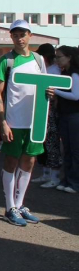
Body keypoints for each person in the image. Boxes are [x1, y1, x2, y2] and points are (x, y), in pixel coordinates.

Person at [0, 20, 47, 226]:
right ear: (11, 37)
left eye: (23, 34)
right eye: (15, 35)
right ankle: (10, 208)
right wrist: (2, 122)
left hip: (34, 121)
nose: (19, 38)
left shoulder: (39, 60)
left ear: (30, 35)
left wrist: (50, 92)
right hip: (14, 121)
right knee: (11, 161)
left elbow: (44, 86)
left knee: (29, 162)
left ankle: (19, 204)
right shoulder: (6, 61)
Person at [47, 46, 79, 194]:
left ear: (69, 57)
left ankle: (74, 183)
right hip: (66, 115)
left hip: (74, 115)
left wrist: (56, 91)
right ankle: (67, 180)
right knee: (67, 150)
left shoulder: (74, 73)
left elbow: (76, 96)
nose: (56, 60)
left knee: (74, 150)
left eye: (59, 57)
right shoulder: (65, 72)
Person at [33, 44, 62, 189]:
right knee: (43, 142)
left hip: (51, 111)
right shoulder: (44, 69)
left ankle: (54, 176)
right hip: (42, 109)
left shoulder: (54, 70)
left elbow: (57, 92)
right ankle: (45, 173)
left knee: (52, 143)